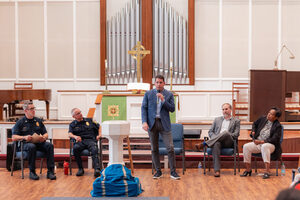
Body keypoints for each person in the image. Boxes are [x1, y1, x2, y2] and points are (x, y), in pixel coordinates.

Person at [141, 75, 180, 180]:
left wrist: (163, 100)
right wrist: (144, 122)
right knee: (154, 148)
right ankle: (158, 171)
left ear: (164, 83)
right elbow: (144, 108)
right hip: (152, 124)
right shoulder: (148, 94)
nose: (158, 84)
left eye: (160, 82)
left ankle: (173, 172)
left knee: (170, 148)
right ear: (154, 83)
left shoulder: (169, 94)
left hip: (164, 124)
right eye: (157, 82)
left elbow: (172, 109)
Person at [12, 102, 56, 180]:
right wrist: (24, 137)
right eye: (31, 109)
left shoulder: (38, 121)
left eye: (34, 108)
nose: (33, 110)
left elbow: (46, 134)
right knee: (31, 146)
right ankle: (32, 172)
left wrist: (43, 137)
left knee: (49, 145)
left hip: (38, 142)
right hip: (26, 143)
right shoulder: (20, 122)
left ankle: (50, 172)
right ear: (25, 111)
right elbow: (14, 137)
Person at [196, 103, 240, 177]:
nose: (224, 111)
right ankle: (217, 171)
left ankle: (205, 144)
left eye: (226, 109)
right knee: (216, 144)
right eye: (223, 109)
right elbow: (210, 132)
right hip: (217, 141)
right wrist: (216, 137)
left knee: (225, 133)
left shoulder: (236, 121)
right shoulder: (217, 120)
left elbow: (236, 134)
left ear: (230, 110)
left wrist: (227, 134)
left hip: (229, 141)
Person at [241, 107, 282, 179]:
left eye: (271, 114)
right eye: (269, 113)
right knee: (246, 146)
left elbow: (274, 139)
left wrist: (262, 141)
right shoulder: (263, 118)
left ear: (276, 117)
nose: (268, 115)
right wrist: (253, 131)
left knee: (265, 146)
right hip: (258, 143)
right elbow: (254, 124)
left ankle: (267, 171)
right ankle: (248, 170)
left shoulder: (278, 126)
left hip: (271, 145)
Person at [68, 108, 101, 177]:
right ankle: (80, 169)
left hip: (90, 140)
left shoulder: (89, 120)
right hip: (80, 141)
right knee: (75, 148)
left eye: (80, 112)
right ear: (74, 117)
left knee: (94, 149)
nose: (81, 114)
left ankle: (97, 169)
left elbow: (99, 126)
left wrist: (99, 135)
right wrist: (75, 136)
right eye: (78, 113)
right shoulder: (72, 124)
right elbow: (69, 134)